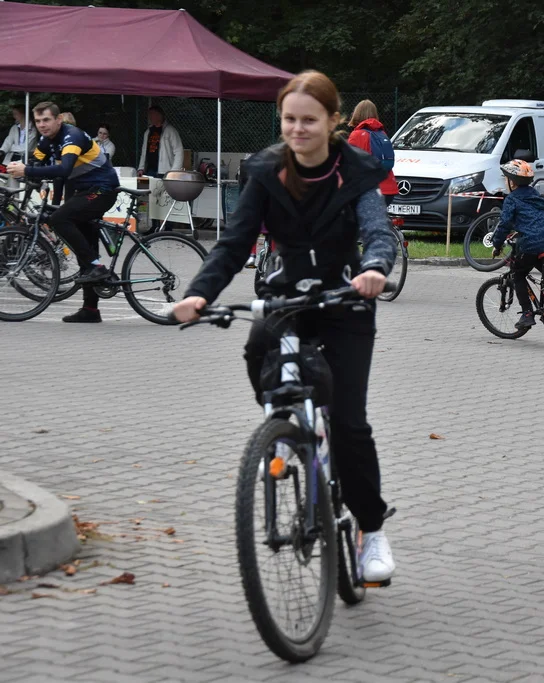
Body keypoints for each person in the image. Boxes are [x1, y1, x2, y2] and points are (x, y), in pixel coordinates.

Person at [172, 70, 398, 583]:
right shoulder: (266, 172)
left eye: (309, 120)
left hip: (345, 299)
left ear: (333, 121)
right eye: (289, 119)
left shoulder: (355, 171)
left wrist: (374, 270)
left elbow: (377, 231)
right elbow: (233, 243)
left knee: (348, 424)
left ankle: (371, 529)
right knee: (258, 350)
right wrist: (198, 293)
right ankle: (284, 427)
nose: (298, 129)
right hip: (286, 297)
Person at [5, 102, 121, 323]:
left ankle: (98, 268)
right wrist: (20, 172)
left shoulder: (72, 136)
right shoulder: (46, 141)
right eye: (38, 121)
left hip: (102, 189)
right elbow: (37, 165)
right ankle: (90, 310)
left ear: (58, 120)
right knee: (86, 246)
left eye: (46, 120)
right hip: (82, 191)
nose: (42, 125)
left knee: (59, 219)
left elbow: (64, 169)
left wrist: (27, 170)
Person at [489, 159, 544, 329]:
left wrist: (497, 244)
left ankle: (527, 314)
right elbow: (531, 218)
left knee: (517, 274)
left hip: (529, 242)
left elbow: (504, 224)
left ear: (512, 182)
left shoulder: (512, 199)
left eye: (505, 179)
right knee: (538, 259)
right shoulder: (535, 195)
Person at [346, 100, 399, 204]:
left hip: (370, 190)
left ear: (357, 113)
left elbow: (350, 164)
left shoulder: (356, 135)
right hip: (389, 189)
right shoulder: (382, 133)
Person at [137, 105, 183, 178]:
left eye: (152, 114)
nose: (150, 117)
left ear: (159, 115)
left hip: (164, 172)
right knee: (143, 188)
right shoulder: (148, 132)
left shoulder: (171, 131)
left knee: (161, 189)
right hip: (148, 171)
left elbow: (178, 151)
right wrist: (141, 168)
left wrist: (174, 171)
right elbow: (144, 151)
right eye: (150, 114)